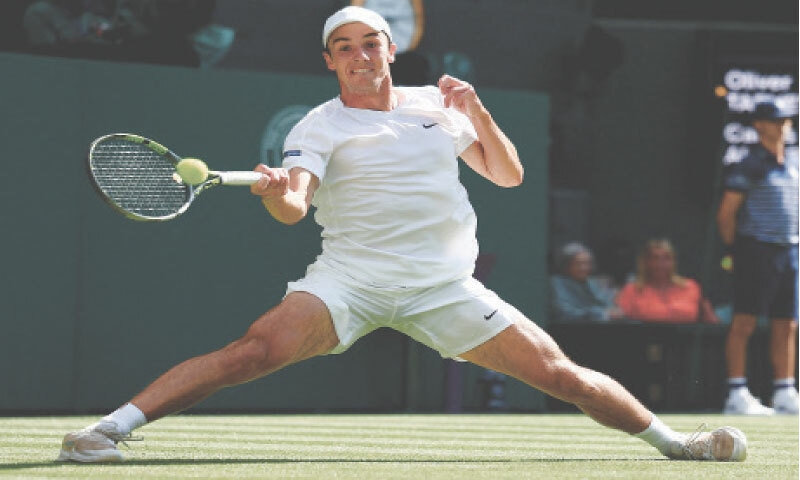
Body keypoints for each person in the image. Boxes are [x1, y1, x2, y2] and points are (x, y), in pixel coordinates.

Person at [56, 6, 746, 463]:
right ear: (330, 61)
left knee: (559, 374)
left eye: (369, 43)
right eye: (343, 48)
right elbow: (295, 207)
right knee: (252, 352)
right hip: (350, 282)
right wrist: (275, 191)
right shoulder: (318, 127)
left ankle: (677, 444)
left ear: (390, 49)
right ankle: (106, 430)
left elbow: (507, 175)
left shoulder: (436, 108)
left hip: (443, 286)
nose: (359, 56)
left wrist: (478, 112)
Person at [716, 100, 799, 415]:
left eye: (786, 121)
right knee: (745, 321)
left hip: (789, 251)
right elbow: (726, 215)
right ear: (759, 125)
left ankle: (784, 391)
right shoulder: (749, 165)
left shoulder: (794, 163)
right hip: (755, 250)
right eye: (776, 121)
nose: (783, 127)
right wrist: (736, 250)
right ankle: (737, 393)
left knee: (787, 323)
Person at [615, 239, 720, 324]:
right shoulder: (632, 290)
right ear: (646, 262)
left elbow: (711, 322)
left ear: (674, 262)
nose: (661, 264)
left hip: (683, 342)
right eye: (655, 258)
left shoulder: (690, 287)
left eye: (667, 258)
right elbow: (617, 321)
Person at [549, 242, 623, 323]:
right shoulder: (556, 283)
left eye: (588, 263)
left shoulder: (591, 283)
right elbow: (564, 312)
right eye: (578, 264)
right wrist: (601, 313)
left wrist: (614, 310)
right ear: (566, 266)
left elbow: (605, 302)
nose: (584, 268)